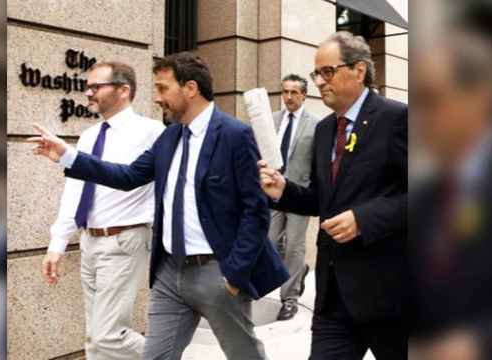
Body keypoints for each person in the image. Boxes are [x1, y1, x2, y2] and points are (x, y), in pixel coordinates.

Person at [30, 52, 288, 360]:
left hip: (215, 272)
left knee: (243, 354)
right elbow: (127, 176)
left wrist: (234, 275)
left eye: (163, 88)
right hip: (169, 274)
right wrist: (68, 156)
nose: (156, 98)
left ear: (190, 88)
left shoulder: (234, 135)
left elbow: (255, 211)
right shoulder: (168, 137)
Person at [259, 31, 408, 359]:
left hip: (391, 296)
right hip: (334, 299)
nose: (321, 81)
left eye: (328, 71)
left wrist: (364, 219)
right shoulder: (324, 130)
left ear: (358, 70)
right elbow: (321, 198)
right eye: (317, 74)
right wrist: (283, 191)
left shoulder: (398, 118)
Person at [409, 29, 492, 360]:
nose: (420, 119)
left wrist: (484, 344)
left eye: (431, 100)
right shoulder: (425, 199)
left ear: (478, 99)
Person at [41, 61, 165, 360]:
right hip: (90, 241)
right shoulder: (88, 136)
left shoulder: (153, 132)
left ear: (124, 90)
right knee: (94, 339)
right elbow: (75, 192)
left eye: (96, 87)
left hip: (125, 240)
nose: (88, 92)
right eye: (88, 86)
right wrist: (57, 243)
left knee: (109, 335)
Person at [269, 73, 319, 321]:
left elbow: (319, 164)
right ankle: (299, 270)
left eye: (293, 92)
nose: (288, 97)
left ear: (304, 95)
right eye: (285, 91)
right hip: (274, 194)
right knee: (268, 243)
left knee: (294, 247)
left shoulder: (315, 124)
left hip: (300, 194)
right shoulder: (273, 120)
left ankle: (289, 299)